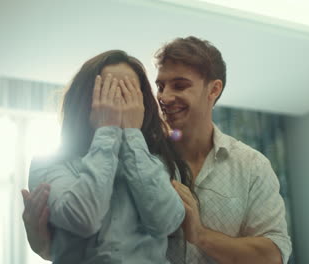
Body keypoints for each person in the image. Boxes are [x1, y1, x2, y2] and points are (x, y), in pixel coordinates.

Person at [23, 36, 292, 264]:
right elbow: (99, 235)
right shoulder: (137, 154)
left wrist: (200, 235)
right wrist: (46, 244)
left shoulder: (251, 165)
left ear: (214, 90)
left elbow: (274, 253)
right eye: (159, 86)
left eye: (180, 85)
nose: (163, 96)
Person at [23, 50, 194, 264]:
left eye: (129, 92)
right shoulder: (48, 162)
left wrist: (133, 135)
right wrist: (107, 130)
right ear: (84, 98)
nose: (117, 102)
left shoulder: (161, 160)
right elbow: (83, 218)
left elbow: (165, 222)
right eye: (107, 91)